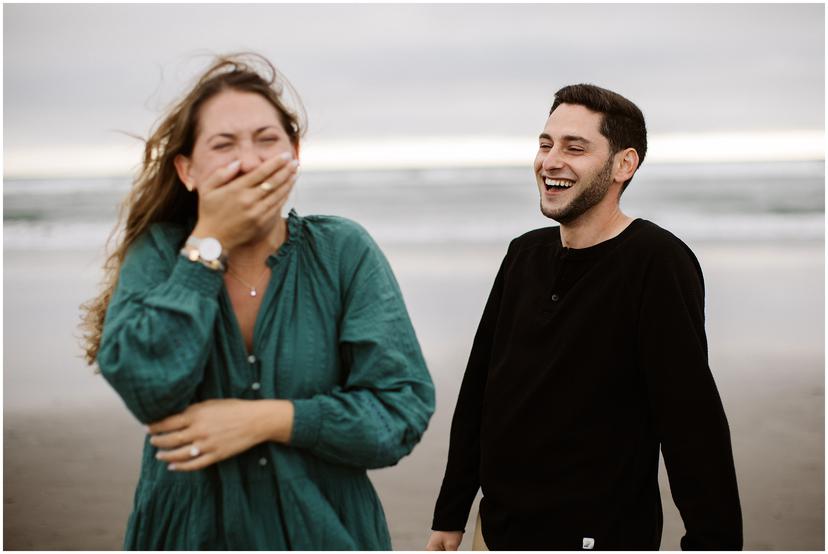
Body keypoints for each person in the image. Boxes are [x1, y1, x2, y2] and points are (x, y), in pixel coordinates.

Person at [79, 53, 435, 550]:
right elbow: (146, 386)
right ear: (187, 170)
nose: (248, 161)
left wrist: (268, 419)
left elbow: (400, 411)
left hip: (327, 532)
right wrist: (209, 242)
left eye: (267, 140)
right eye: (223, 145)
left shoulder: (343, 251)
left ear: (294, 153)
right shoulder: (158, 253)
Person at [426, 84, 742, 551]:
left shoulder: (656, 263)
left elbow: (691, 423)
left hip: (597, 536)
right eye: (545, 144)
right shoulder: (524, 255)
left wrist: (713, 543)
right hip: (495, 531)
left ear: (624, 164)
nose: (551, 160)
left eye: (575, 148)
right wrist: (451, 511)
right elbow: (480, 392)